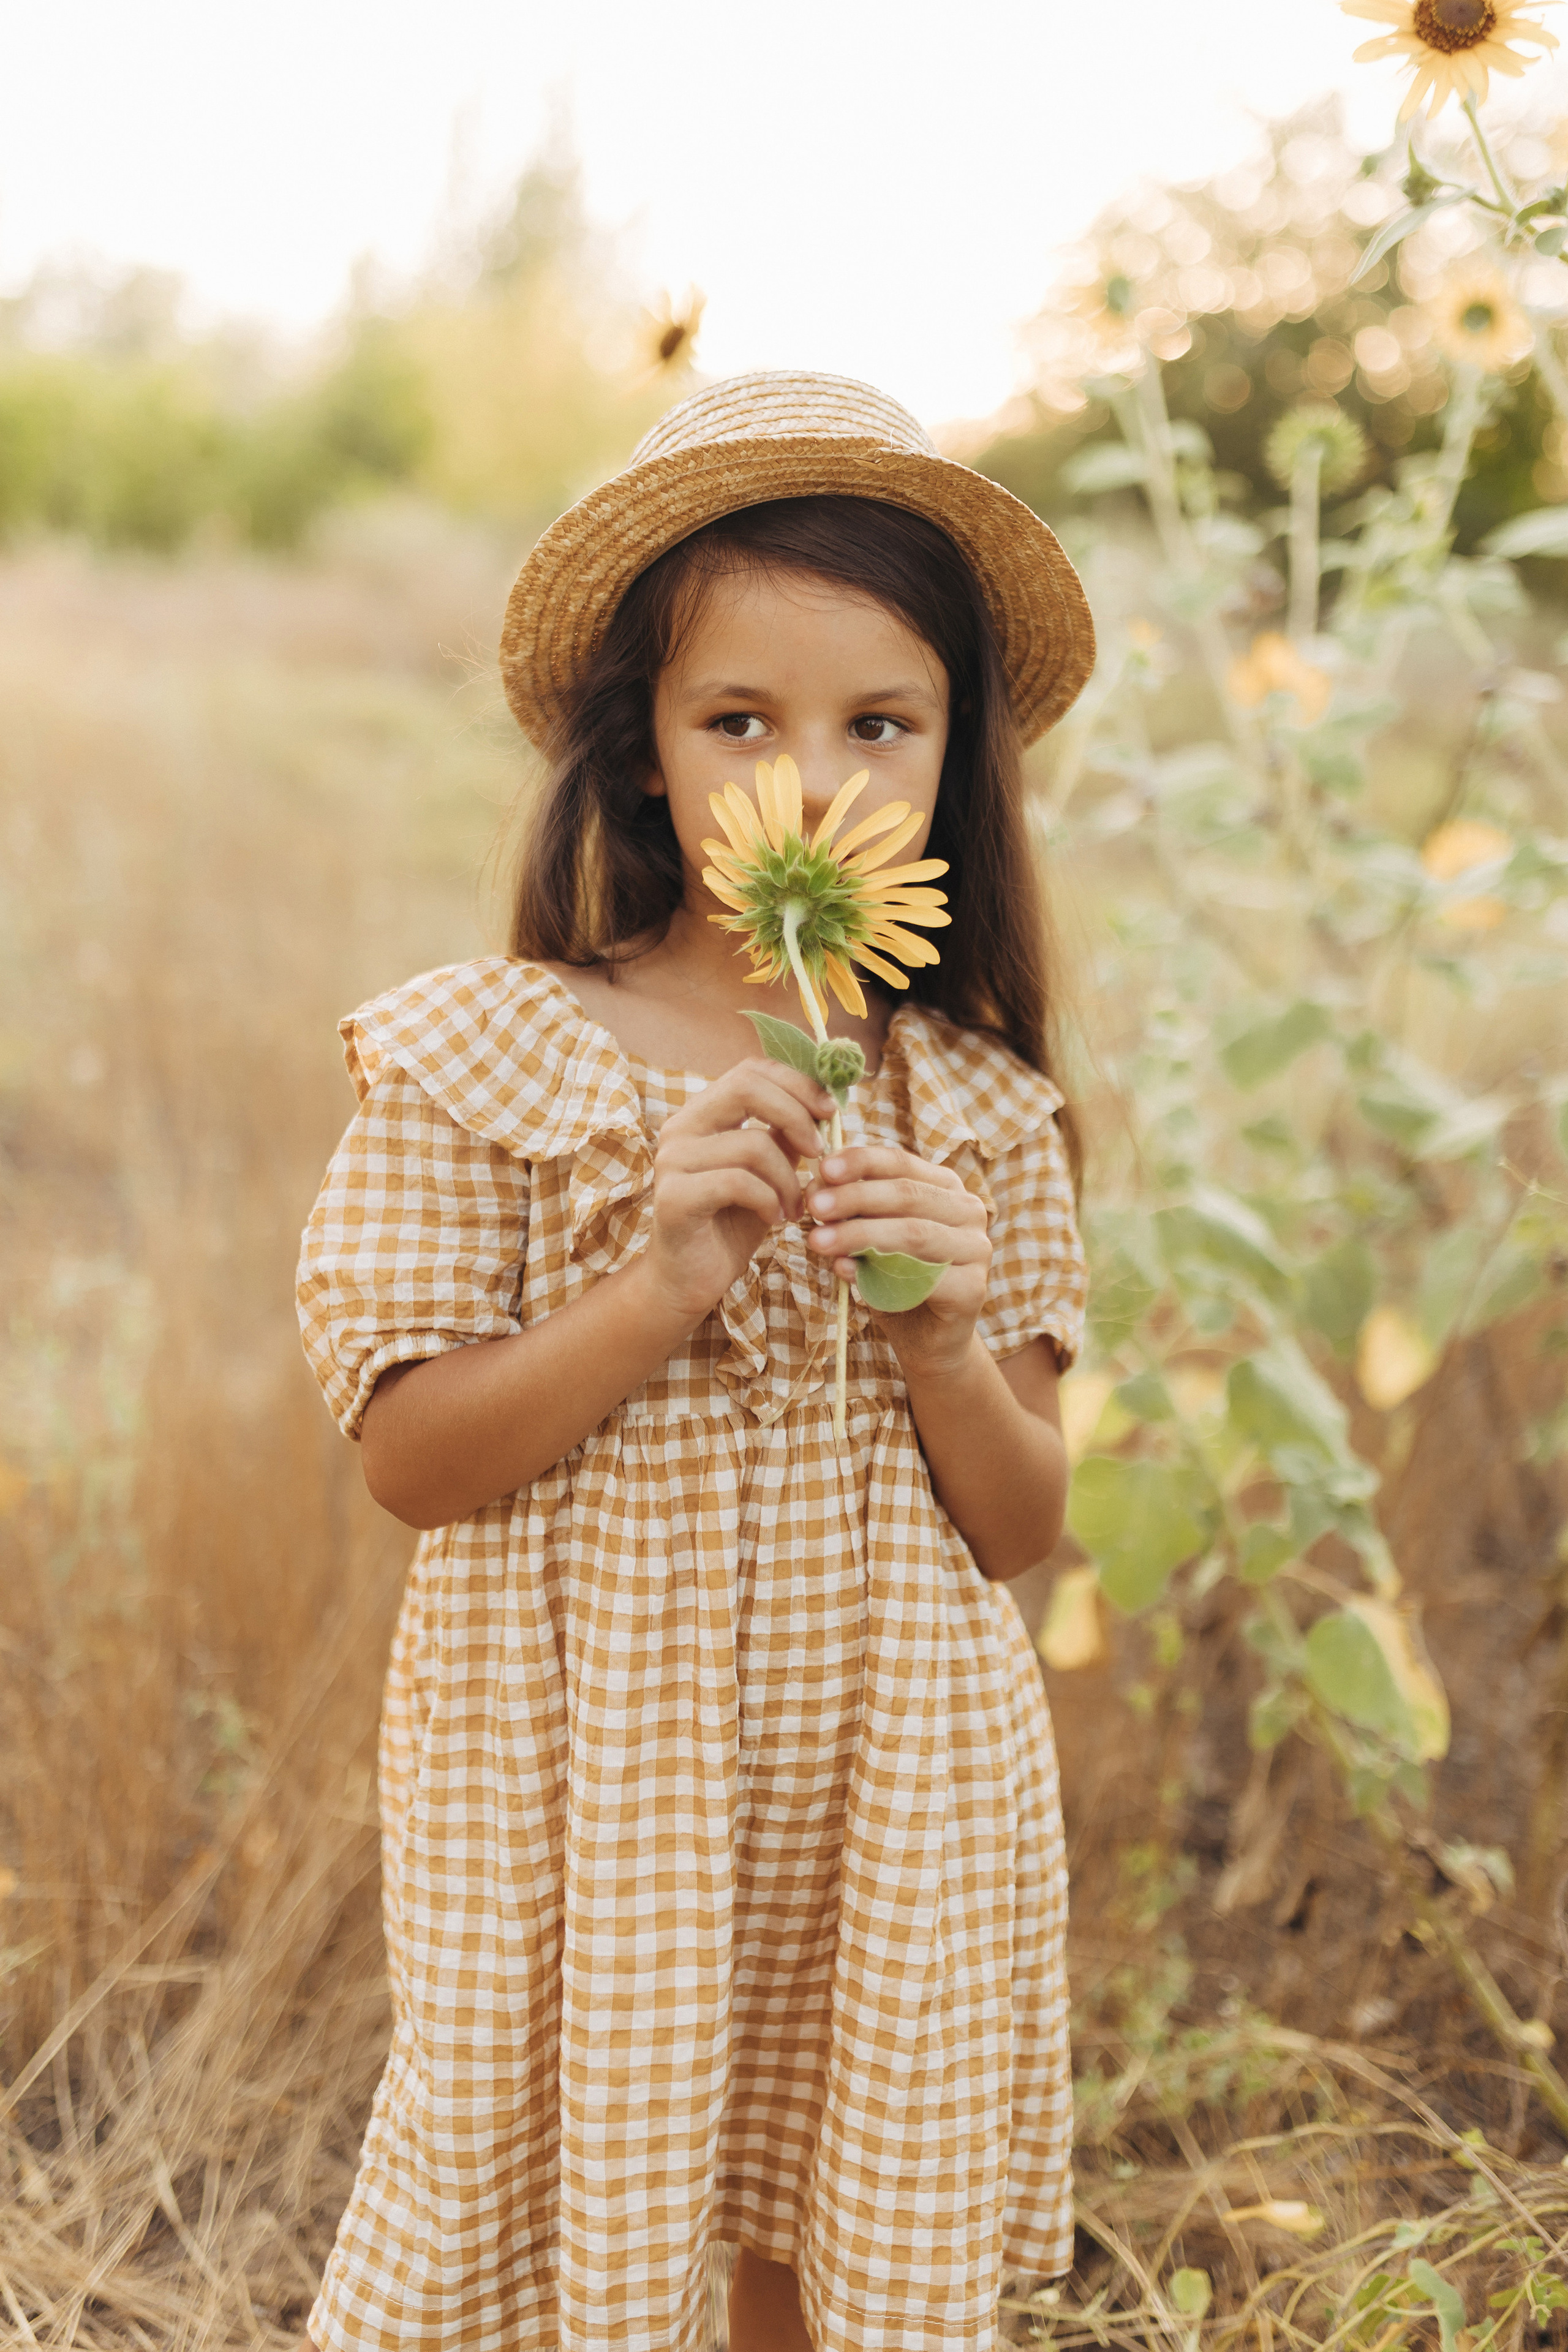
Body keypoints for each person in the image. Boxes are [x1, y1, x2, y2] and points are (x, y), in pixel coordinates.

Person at [296, 370, 1095, 2352]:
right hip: (592, 1773)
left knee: (824, 2214)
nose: (807, 785)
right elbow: (413, 1462)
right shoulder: (492, 1059)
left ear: (952, 765)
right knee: (571, 2199)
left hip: (890, 1780)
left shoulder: (978, 1107)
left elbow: (1021, 1525)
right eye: (739, 721)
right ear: (644, 754)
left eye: (877, 726)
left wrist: (939, 1338)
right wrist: (657, 1282)